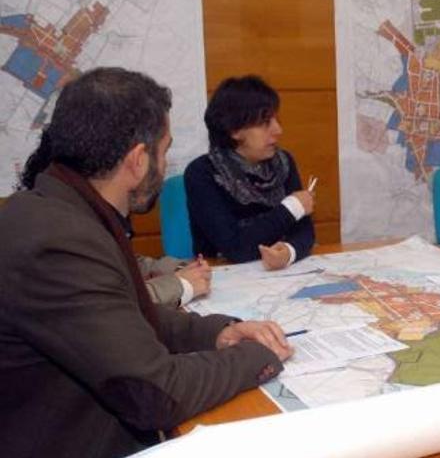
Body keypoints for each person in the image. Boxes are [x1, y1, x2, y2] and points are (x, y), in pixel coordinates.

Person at [0, 67, 293, 458]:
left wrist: (218, 333)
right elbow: (156, 393)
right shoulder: (59, 241)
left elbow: (122, 315)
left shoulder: (63, 210)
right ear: (138, 160)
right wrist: (259, 357)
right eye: (165, 149)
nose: (165, 163)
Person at [17, 134, 212, 307]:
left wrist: (176, 268)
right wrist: (180, 285)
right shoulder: (56, 233)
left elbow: (120, 261)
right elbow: (107, 306)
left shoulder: (79, 214)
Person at [184, 75, 315, 270]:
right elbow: (235, 247)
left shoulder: (284, 162)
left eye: (276, 120)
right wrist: (292, 207)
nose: (278, 130)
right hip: (224, 277)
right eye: (265, 123)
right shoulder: (202, 173)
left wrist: (289, 251)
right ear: (234, 130)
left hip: (280, 276)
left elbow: (305, 232)